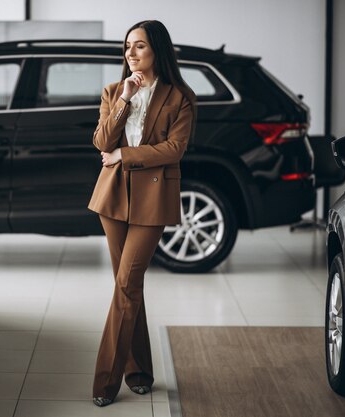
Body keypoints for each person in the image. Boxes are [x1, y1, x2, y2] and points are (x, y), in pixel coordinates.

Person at [88, 19, 196, 407]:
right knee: (128, 285)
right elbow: (101, 140)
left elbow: (174, 149)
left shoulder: (180, 96)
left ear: (158, 51)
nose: (130, 53)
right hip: (113, 198)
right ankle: (139, 371)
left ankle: (105, 381)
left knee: (127, 284)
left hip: (152, 199)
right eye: (128, 46)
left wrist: (123, 155)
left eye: (140, 47)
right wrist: (125, 99)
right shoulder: (115, 90)